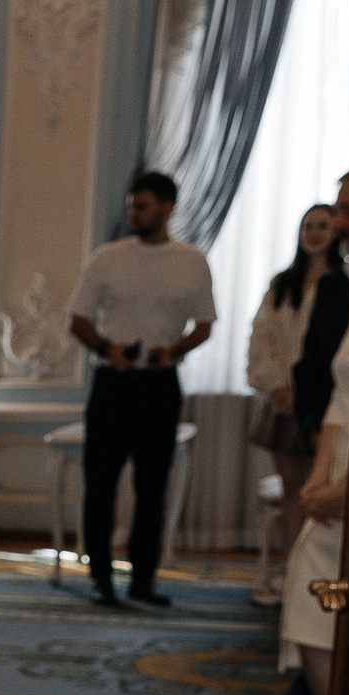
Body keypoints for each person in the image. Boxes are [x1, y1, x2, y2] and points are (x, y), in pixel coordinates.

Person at [68, 170, 215, 610]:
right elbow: (78, 319)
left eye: (143, 206)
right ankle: (100, 578)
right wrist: (106, 348)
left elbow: (204, 326)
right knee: (100, 485)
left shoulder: (192, 261)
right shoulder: (107, 257)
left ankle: (143, 581)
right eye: (132, 205)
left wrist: (174, 350)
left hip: (160, 385)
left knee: (153, 488)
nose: (134, 213)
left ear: (168, 208)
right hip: (111, 385)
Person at [279, 285, 349, 695]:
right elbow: (342, 398)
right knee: (319, 605)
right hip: (338, 497)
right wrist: (319, 481)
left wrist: (348, 491)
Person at [246, 203, 348, 580]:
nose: (314, 233)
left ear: (337, 232)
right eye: (308, 226)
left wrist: (306, 393)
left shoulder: (345, 284)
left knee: (317, 489)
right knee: (293, 488)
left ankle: (315, 572)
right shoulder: (282, 283)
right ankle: (291, 570)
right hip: (283, 402)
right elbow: (261, 337)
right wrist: (278, 388)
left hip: (324, 403)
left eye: (323, 225)